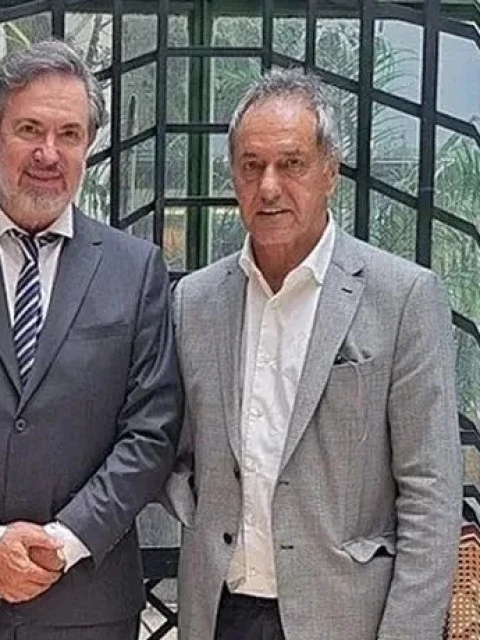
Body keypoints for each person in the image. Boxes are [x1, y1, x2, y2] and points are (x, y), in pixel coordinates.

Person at [166, 69, 463, 640]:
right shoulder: (195, 301)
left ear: (331, 171)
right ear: (234, 177)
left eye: (291, 163)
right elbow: (166, 441)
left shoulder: (402, 297)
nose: (269, 186)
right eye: (251, 166)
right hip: (218, 612)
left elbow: (431, 493)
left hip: (345, 617)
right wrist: (203, 511)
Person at [0, 39, 182, 639]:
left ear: (90, 145)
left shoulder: (135, 270)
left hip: (87, 605)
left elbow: (152, 430)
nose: (48, 153)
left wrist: (63, 541)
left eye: (69, 134)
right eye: (30, 129)